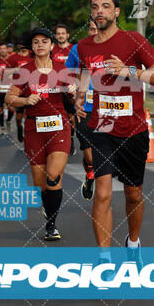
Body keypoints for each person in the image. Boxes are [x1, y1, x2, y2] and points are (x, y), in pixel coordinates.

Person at [75, 0, 154, 262]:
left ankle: (133, 242)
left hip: (133, 130)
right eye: (95, 7)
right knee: (102, 192)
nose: (99, 11)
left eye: (105, 6)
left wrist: (130, 71)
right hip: (101, 128)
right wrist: (80, 95)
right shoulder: (84, 46)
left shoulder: (134, 40)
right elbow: (83, 71)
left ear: (116, 11)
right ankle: (104, 258)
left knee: (133, 194)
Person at [6, 27, 74, 241]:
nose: (40, 45)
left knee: (53, 177)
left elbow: (74, 99)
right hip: (34, 129)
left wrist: (73, 95)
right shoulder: (24, 71)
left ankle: (51, 225)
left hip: (59, 128)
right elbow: (10, 98)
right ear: (32, 47)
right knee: (40, 183)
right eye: (36, 42)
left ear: (52, 45)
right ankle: (48, 207)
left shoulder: (63, 69)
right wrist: (25, 101)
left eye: (45, 41)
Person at [65, 18, 97, 200]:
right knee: (90, 157)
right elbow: (67, 72)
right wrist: (70, 86)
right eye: (91, 29)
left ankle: (103, 188)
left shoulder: (110, 48)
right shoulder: (78, 49)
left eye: (97, 29)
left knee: (106, 151)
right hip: (83, 107)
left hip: (106, 108)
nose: (95, 33)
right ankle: (90, 174)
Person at [53, 24, 76, 156]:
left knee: (71, 117)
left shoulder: (74, 49)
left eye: (63, 33)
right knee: (57, 117)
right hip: (56, 88)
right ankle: (58, 142)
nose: (61, 35)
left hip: (71, 88)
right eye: (58, 33)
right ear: (56, 36)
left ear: (67, 35)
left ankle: (71, 139)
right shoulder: (52, 50)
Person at [7, 38, 32, 145]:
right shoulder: (13, 58)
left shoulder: (32, 55)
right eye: (20, 44)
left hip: (30, 90)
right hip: (18, 90)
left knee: (28, 116)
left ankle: (28, 135)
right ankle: (19, 129)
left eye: (24, 44)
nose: (22, 46)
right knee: (18, 117)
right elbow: (6, 72)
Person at [0, 43, 14, 135]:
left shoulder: (12, 60)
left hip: (10, 87)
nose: (2, 50)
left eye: (4, 48)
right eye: (0, 49)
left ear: (7, 50)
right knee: (0, 108)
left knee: (11, 108)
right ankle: (2, 127)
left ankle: (8, 120)